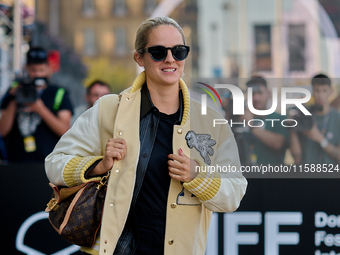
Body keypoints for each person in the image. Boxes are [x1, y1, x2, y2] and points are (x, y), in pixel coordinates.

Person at [45, 17, 247, 255]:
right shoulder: (108, 109)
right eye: (158, 52)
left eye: (179, 51)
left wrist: (197, 176)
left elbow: (234, 193)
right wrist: (98, 165)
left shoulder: (211, 119)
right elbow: (54, 164)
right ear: (139, 58)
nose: (170, 59)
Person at [0, 46, 73, 162]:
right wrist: (15, 99)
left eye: (41, 70)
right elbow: (3, 130)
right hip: (16, 162)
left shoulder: (58, 93)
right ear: (27, 69)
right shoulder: (14, 91)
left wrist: (40, 109)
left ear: (49, 69)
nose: (38, 74)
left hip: (49, 162)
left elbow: (65, 130)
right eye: (34, 70)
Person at [290, 74, 340, 164]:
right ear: (312, 91)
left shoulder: (337, 118)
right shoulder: (304, 116)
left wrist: (319, 138)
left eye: (324, 91)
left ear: (331, 91)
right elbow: (296, 157)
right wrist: (293, 128)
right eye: (317, 91)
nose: (320, 95)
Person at [243, 76, 289, 165]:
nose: (256, 98)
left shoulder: (279, 118)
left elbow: (277, 143)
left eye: (260, 93)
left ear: (268, 93)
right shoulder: (240, 118)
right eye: (252, 94)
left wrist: (251, 125)